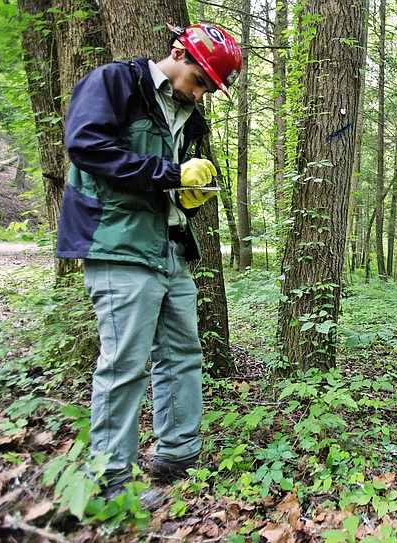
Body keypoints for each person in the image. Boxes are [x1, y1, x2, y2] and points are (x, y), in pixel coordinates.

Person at [56, 23, 242, 497]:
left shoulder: (190, 118)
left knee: (183, 355)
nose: (200, 95)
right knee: (123, 365)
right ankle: (109, 481)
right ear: (180, 52)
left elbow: (177, 181)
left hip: (171, 250)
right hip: (119, 245)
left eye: (208, 90)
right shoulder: (116, 83)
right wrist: (168, 172)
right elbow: (87, 145)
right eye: (200, 82)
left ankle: (179, 456)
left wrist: (191, 192)